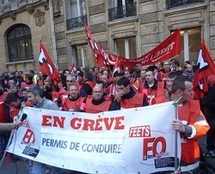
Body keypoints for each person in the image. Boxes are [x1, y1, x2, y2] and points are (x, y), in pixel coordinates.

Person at [170, 76, 209, 172]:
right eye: (189, 90)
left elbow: (203, 127)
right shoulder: (157, 103)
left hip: (189, 160)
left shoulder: (194, 106)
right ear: (179, 92)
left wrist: (185, 129)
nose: (193, 93)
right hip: (164, 160)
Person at [26, 86, 63, 174]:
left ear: (37, 95)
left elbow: (59, 123)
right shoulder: (33, 107)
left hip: (51, 143)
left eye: (30, 97)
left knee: (56, 168)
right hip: (38, 143)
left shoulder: (51, 105)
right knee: (37, 170)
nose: (28, 99)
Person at [201, 74, 215, 157]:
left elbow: (208, 102)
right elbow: (208, 102)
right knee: (211, 132)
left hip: (212, 116)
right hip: (212, 115)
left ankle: (211, 149)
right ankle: (210, 149)